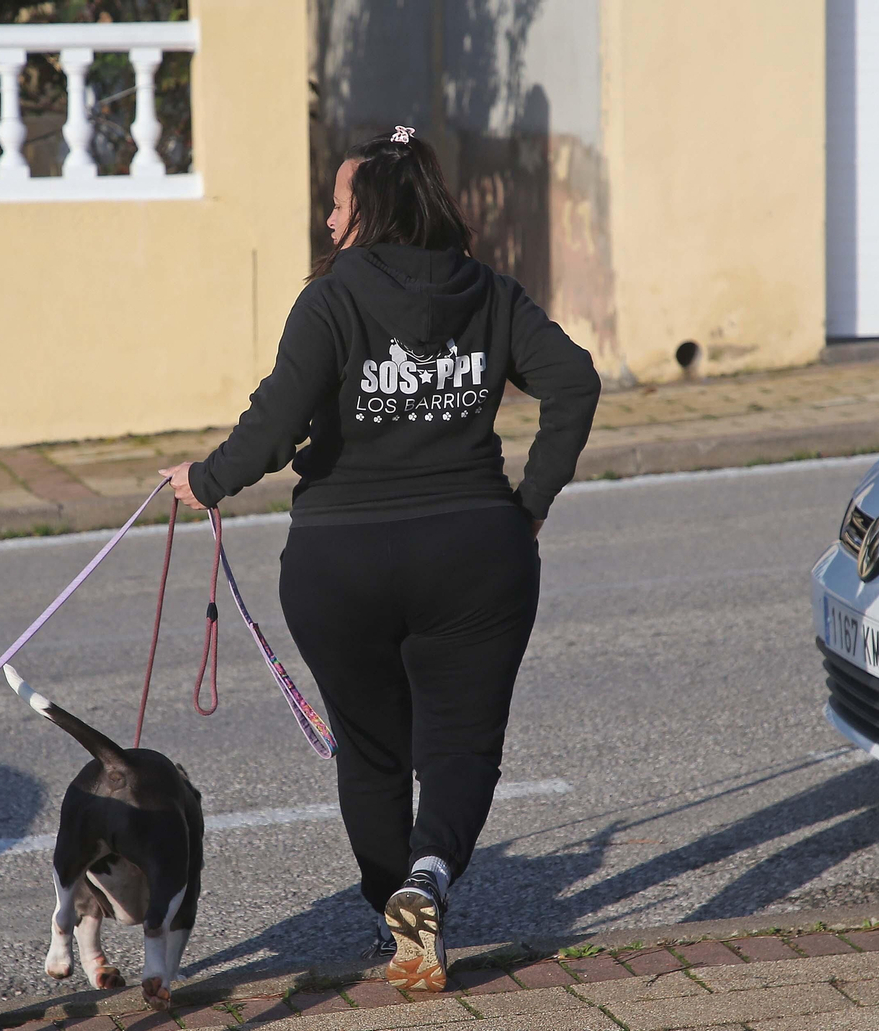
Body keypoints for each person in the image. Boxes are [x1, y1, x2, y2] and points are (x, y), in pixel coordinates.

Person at [158, 126, 600, 991]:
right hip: (476, 552)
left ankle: (393, 912)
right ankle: (426, 879)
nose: (329, 222)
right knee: (461, 744)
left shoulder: (330, 300)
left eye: (339, 205)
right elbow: (574, 382)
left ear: (375, 211)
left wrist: (204, 480)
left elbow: (274, 424)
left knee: (370, 750)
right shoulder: (492, 292)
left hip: (340, 560)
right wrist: (531, 506)